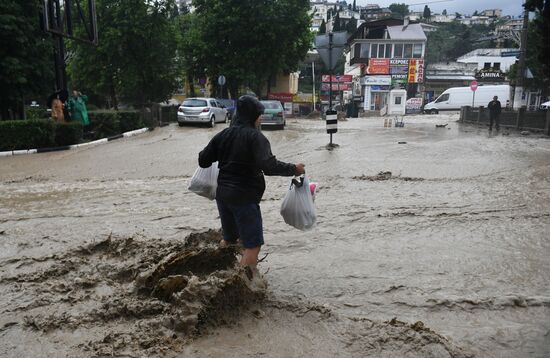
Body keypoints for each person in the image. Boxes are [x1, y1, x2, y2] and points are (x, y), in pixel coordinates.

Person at [198, 95, 305, 268]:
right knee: (252, 245)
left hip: (223, 195)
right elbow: (269, 167)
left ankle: (213, 268)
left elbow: (203, 160)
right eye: (259, 114)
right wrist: (295, 169)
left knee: (230, 239)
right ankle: (242, 285)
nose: (260, 118)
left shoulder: (223, 135)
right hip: (244, 198)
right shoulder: (256, 138)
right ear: (253, 116)